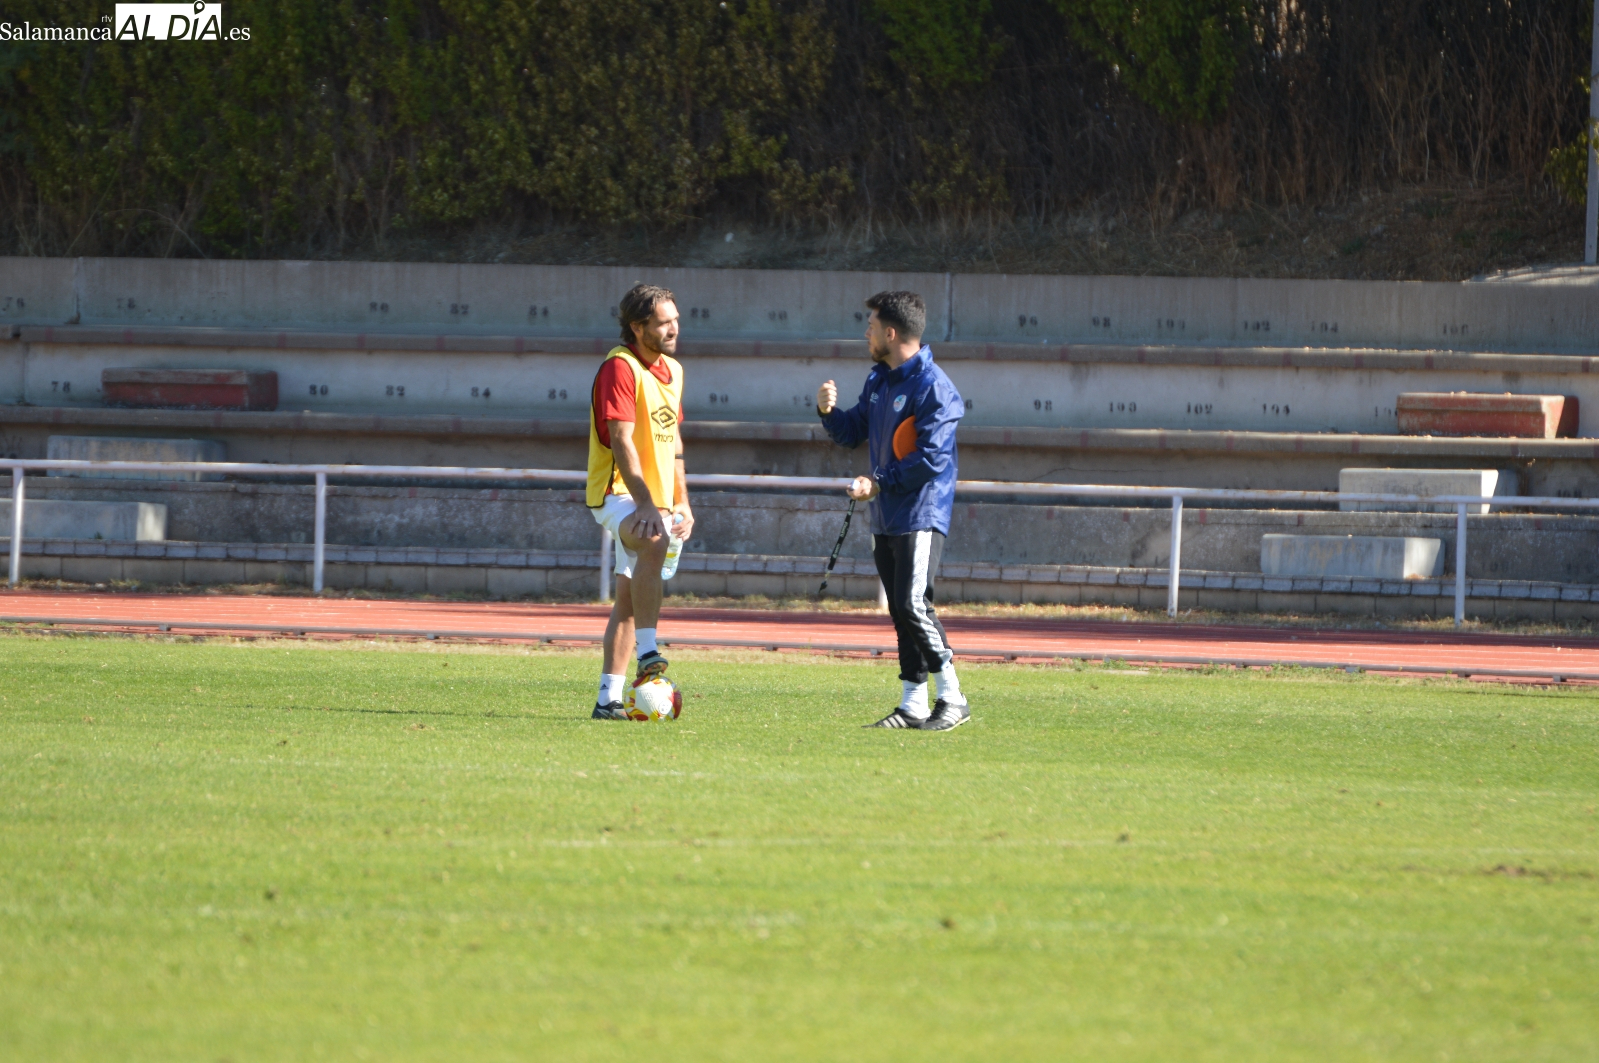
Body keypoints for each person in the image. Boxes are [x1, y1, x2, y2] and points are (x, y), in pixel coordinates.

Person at [816, 290, 969, 731]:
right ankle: (913, 704)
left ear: (890, 332)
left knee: (912, 603)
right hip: (886, 514)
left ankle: (953, 697)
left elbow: (931, 460)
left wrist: (878, 482)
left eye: (870, 326)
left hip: (921, 512)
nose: (865, 333)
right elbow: (852, 432)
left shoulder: (935, 387)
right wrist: (827, 413)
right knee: (901, 611)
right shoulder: (878, 381)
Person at [586, 283, 693, 719]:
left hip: (655, 501)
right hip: (616, 494)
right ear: (637, 326)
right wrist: (649, 505)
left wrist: (682, 502)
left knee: (629, 601)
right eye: (663, 322)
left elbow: (674, 446)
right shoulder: (620, 367)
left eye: (675, 319)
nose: (673, 328)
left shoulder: (675, 371)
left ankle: (607, 700)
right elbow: (623, 442)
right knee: (653, 541)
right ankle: (650, 658)